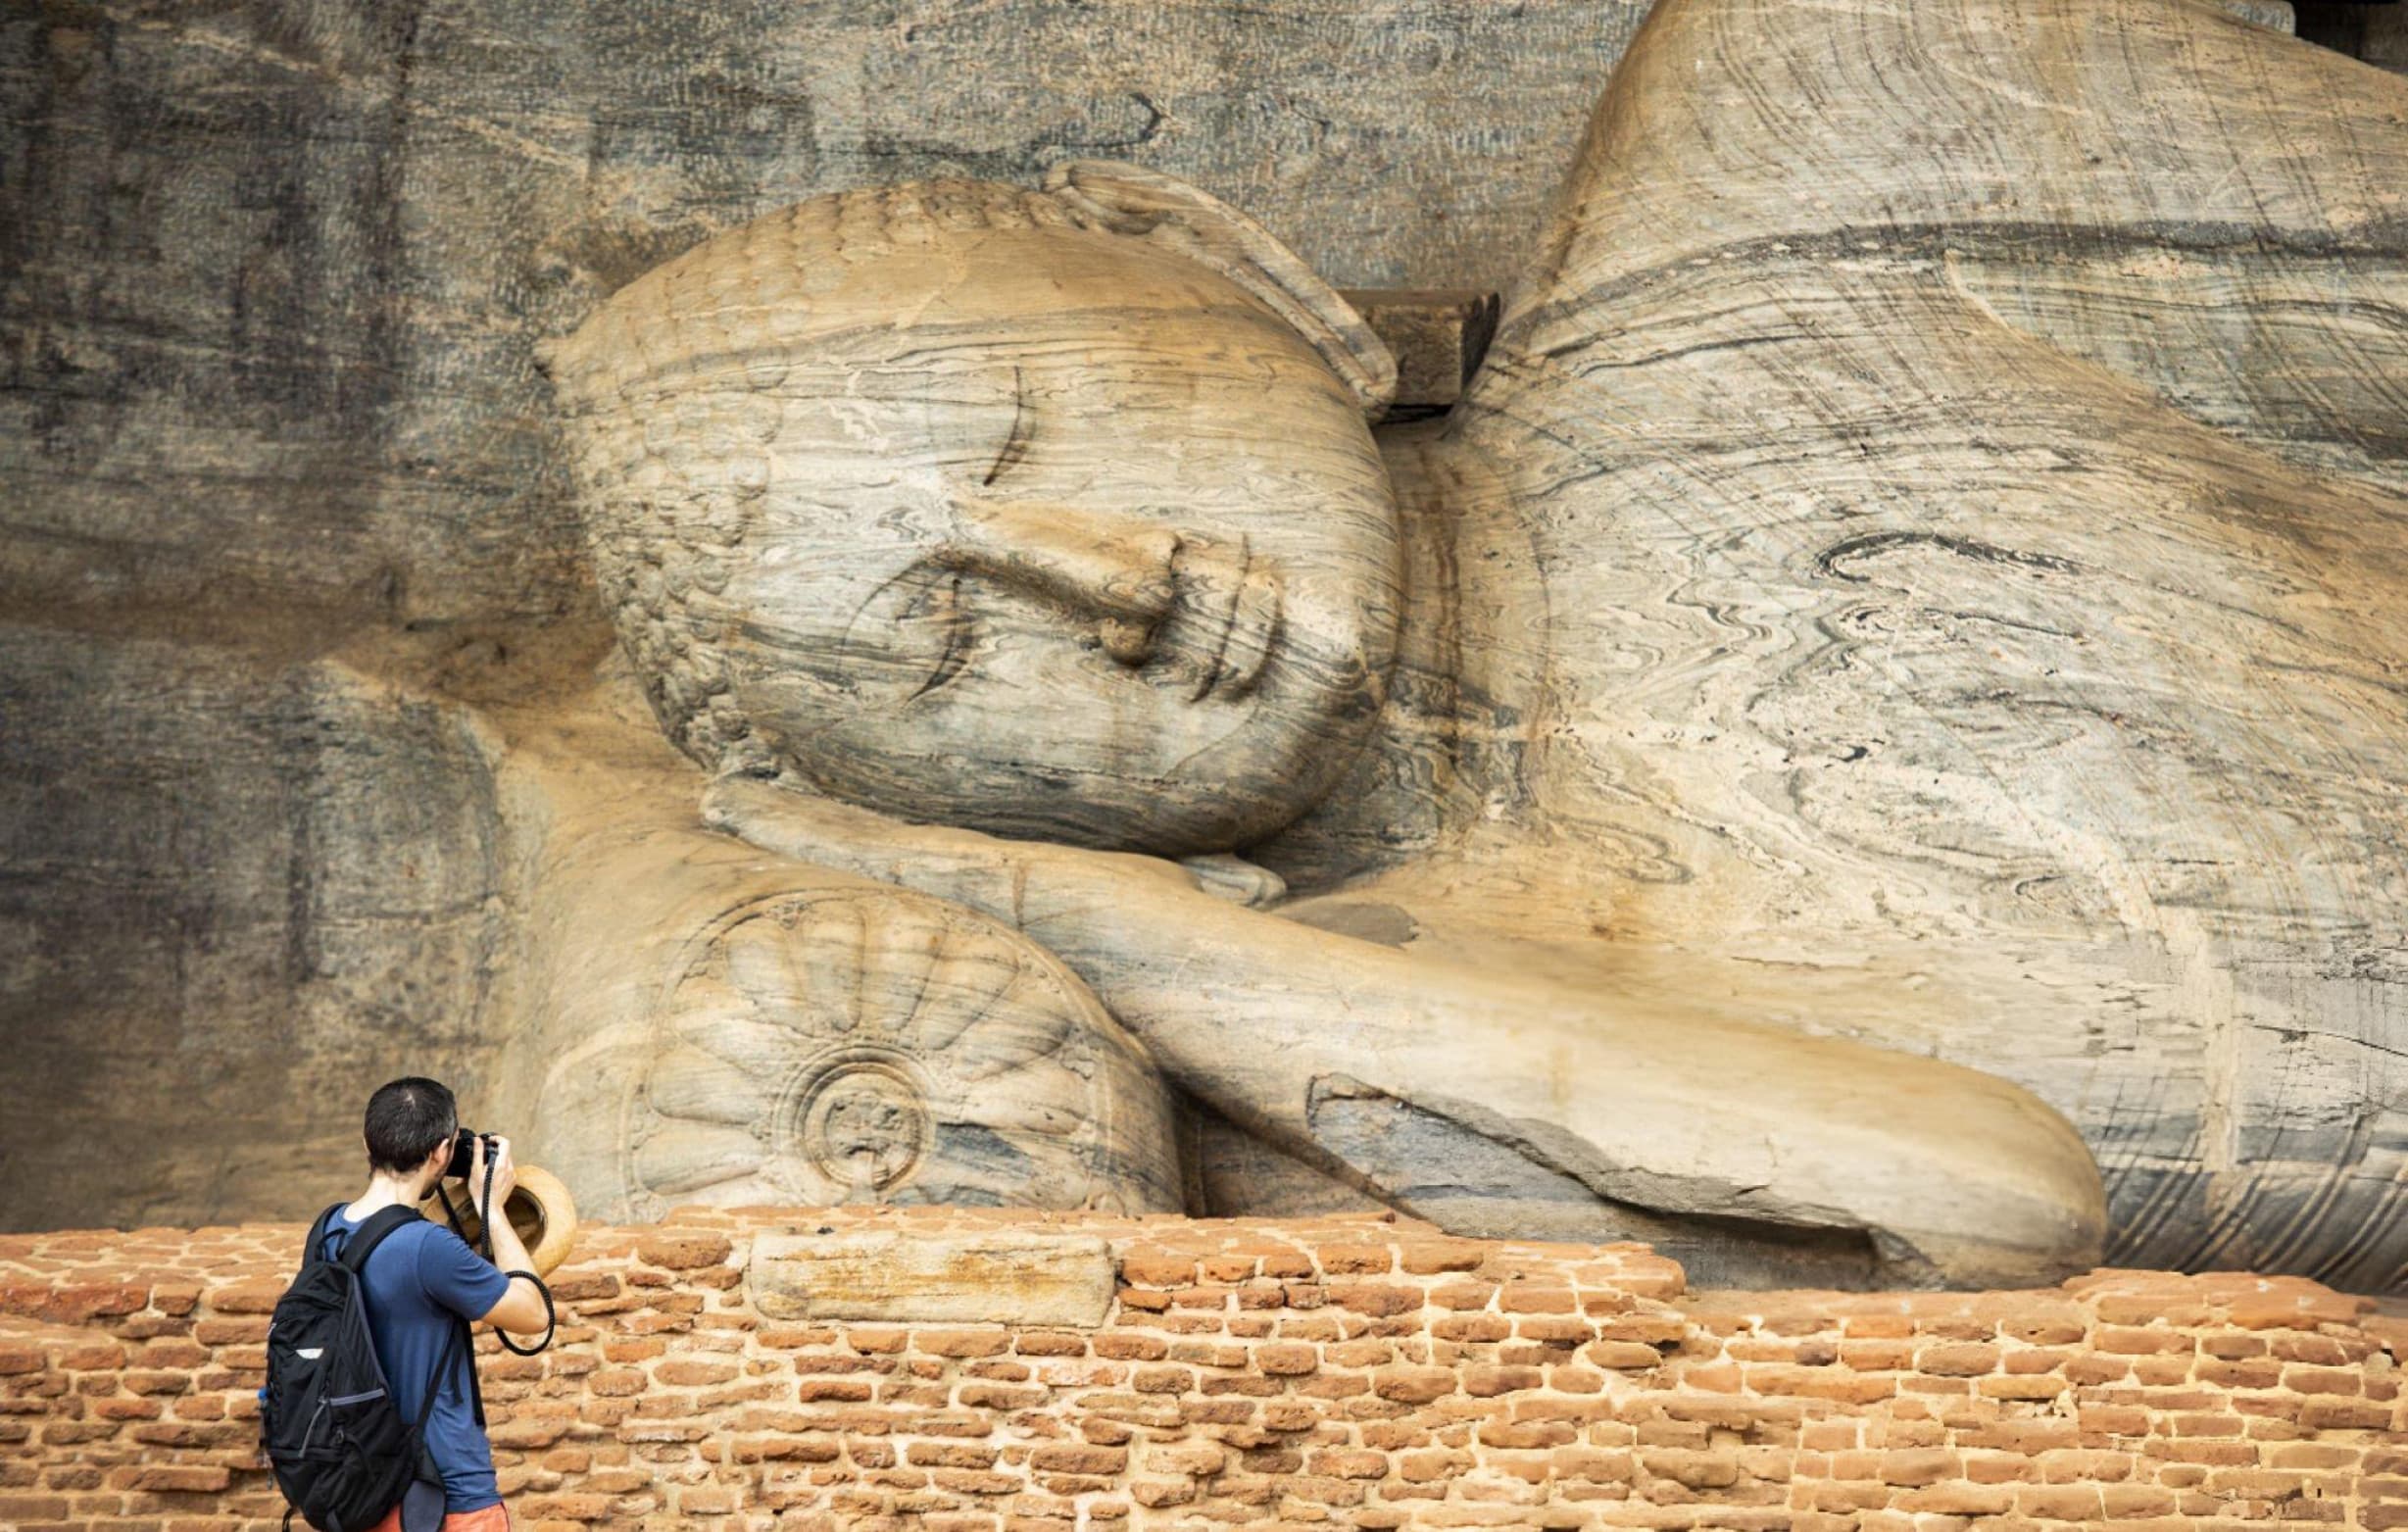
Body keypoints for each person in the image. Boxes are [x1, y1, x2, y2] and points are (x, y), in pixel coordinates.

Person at [319, 1077, 551, 1532]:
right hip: (445, 1494)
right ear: (442, 1153)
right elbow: (534, 1314)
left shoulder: (327, 1229)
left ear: (367, 1142)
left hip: (356, 1488)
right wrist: (493, 1209)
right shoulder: (427, 1248)